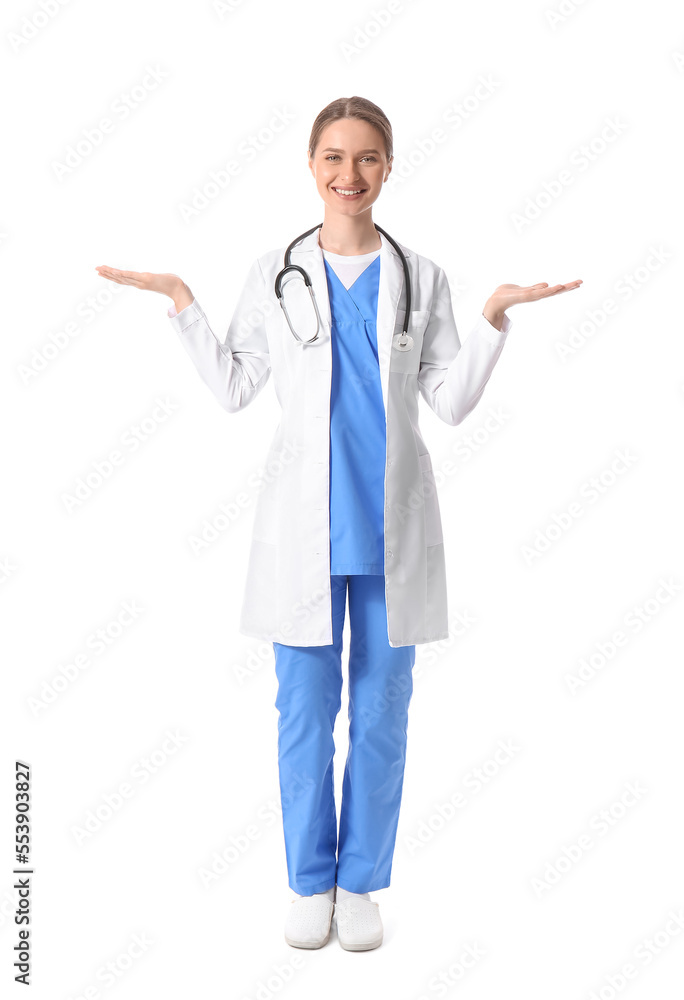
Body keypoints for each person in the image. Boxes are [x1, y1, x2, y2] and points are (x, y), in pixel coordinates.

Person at [95, 95, 582, 952]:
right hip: (302, 535)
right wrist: (181, 303)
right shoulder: (271, 272)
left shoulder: (420, 277)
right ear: (310, 166)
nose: (348, 174)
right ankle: (308, 880)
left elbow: (452, 402)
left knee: (384, 711)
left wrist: (494, 320)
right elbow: (236, 387)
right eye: (332, 157)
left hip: (390, 529)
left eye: (365, 158)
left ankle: (359, 882)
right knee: (302, 713)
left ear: (388, 167)